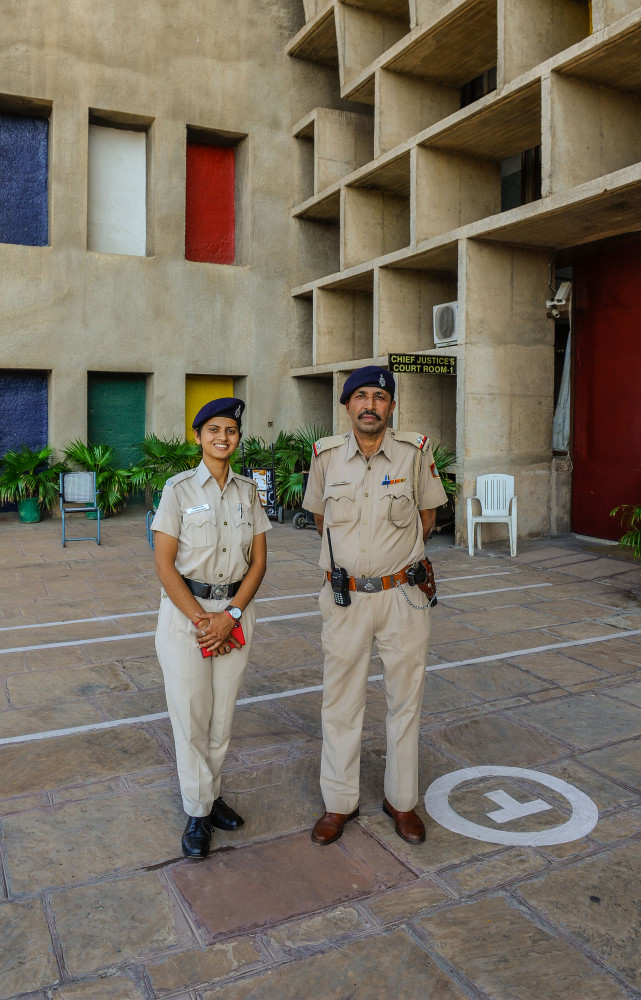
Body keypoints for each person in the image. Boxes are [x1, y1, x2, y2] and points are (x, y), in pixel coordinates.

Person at [302, 366, 447, 846]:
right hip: (345, 600)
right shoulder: (325, 457)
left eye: (380, 397)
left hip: (403, 597)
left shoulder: (413, 454)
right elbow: (323, 519)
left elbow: (427, 517)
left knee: (406, 701)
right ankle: (339, 802)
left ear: (391, 406)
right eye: (360, 396)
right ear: (347, 405)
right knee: (340, 702)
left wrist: (392, 562)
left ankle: (401, 801)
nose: (370, 405)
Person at [153, 397, 271, 858]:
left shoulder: (248, 491)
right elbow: (164, 566)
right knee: (190, 715)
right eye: (214, 430)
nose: (224, 438)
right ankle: (198, 812)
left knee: (221, 717)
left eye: (232, 432)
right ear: (198, 436)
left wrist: (232, 616)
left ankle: (210, 793)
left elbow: (259, 563)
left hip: (234, 614)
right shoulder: (177, 490)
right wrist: (205, 621)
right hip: (188, 617)